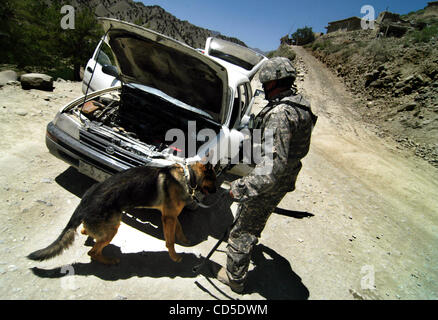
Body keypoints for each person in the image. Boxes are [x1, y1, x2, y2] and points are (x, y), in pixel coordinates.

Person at [214, 57, 317, 293]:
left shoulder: (281, 114)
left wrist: (237, 188)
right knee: (253, 219)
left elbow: (270, 170)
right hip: (283, 179)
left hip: (269, 181)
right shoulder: (301, 105)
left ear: (273, 83)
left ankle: (234, 278)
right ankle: (246, 246)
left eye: (267, 83)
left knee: (242, 230)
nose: (265, 89)